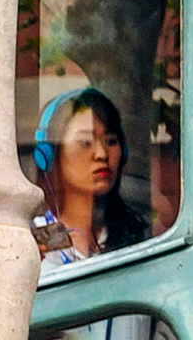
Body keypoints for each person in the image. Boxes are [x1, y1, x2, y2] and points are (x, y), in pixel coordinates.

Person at [31, 87, 150, 268]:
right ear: (48, 156)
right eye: (85, 142)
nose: (102, 154)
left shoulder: (135, 233)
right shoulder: (30, 240)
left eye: (111, 141)